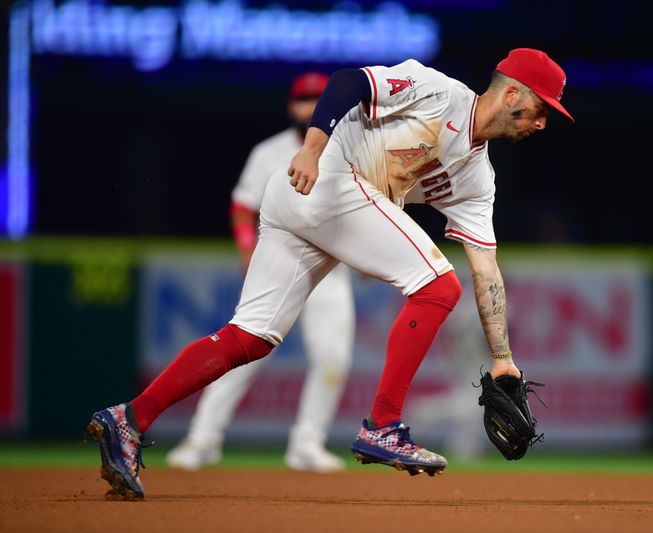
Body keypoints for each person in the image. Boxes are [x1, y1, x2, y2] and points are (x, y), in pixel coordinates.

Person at [87, 48, 573, 499]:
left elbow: (486, 268)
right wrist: (312, 148)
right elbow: (348, 82)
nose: (543, 122)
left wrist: (503, 357)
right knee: (436, 285)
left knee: (251, 337)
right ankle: (383, 424)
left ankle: (128, 419)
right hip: (325, 176)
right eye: (542, 108)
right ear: (511, 93)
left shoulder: (478, 179)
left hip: (310, 204)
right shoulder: (438, 92)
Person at [164, 72, 355, 473]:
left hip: (330, 272)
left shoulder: (350, 150)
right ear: (292, 106)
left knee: (333, 358)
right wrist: (247, 247)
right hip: (279, 268)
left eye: (319, 99)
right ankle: (202, 440)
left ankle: (307, 444)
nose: (311, 106)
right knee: (242, 354)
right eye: (305, 99)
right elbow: (241, 205)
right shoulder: (269, 152)